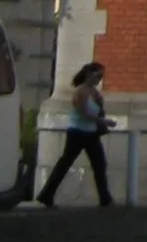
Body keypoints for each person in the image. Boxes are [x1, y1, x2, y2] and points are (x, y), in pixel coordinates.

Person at [38, 61, 114, 208]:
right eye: (98, 75)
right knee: (65, 163)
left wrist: (100, 105)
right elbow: (83, 112)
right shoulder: (80, 91)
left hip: (91, 133)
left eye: (101, 76)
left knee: (100, 165)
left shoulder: (94, 92)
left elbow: (97, 111)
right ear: (89, 74)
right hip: (77, 133)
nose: (99, 79)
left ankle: (105, 199)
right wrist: (103, 121)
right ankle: (46, 195)